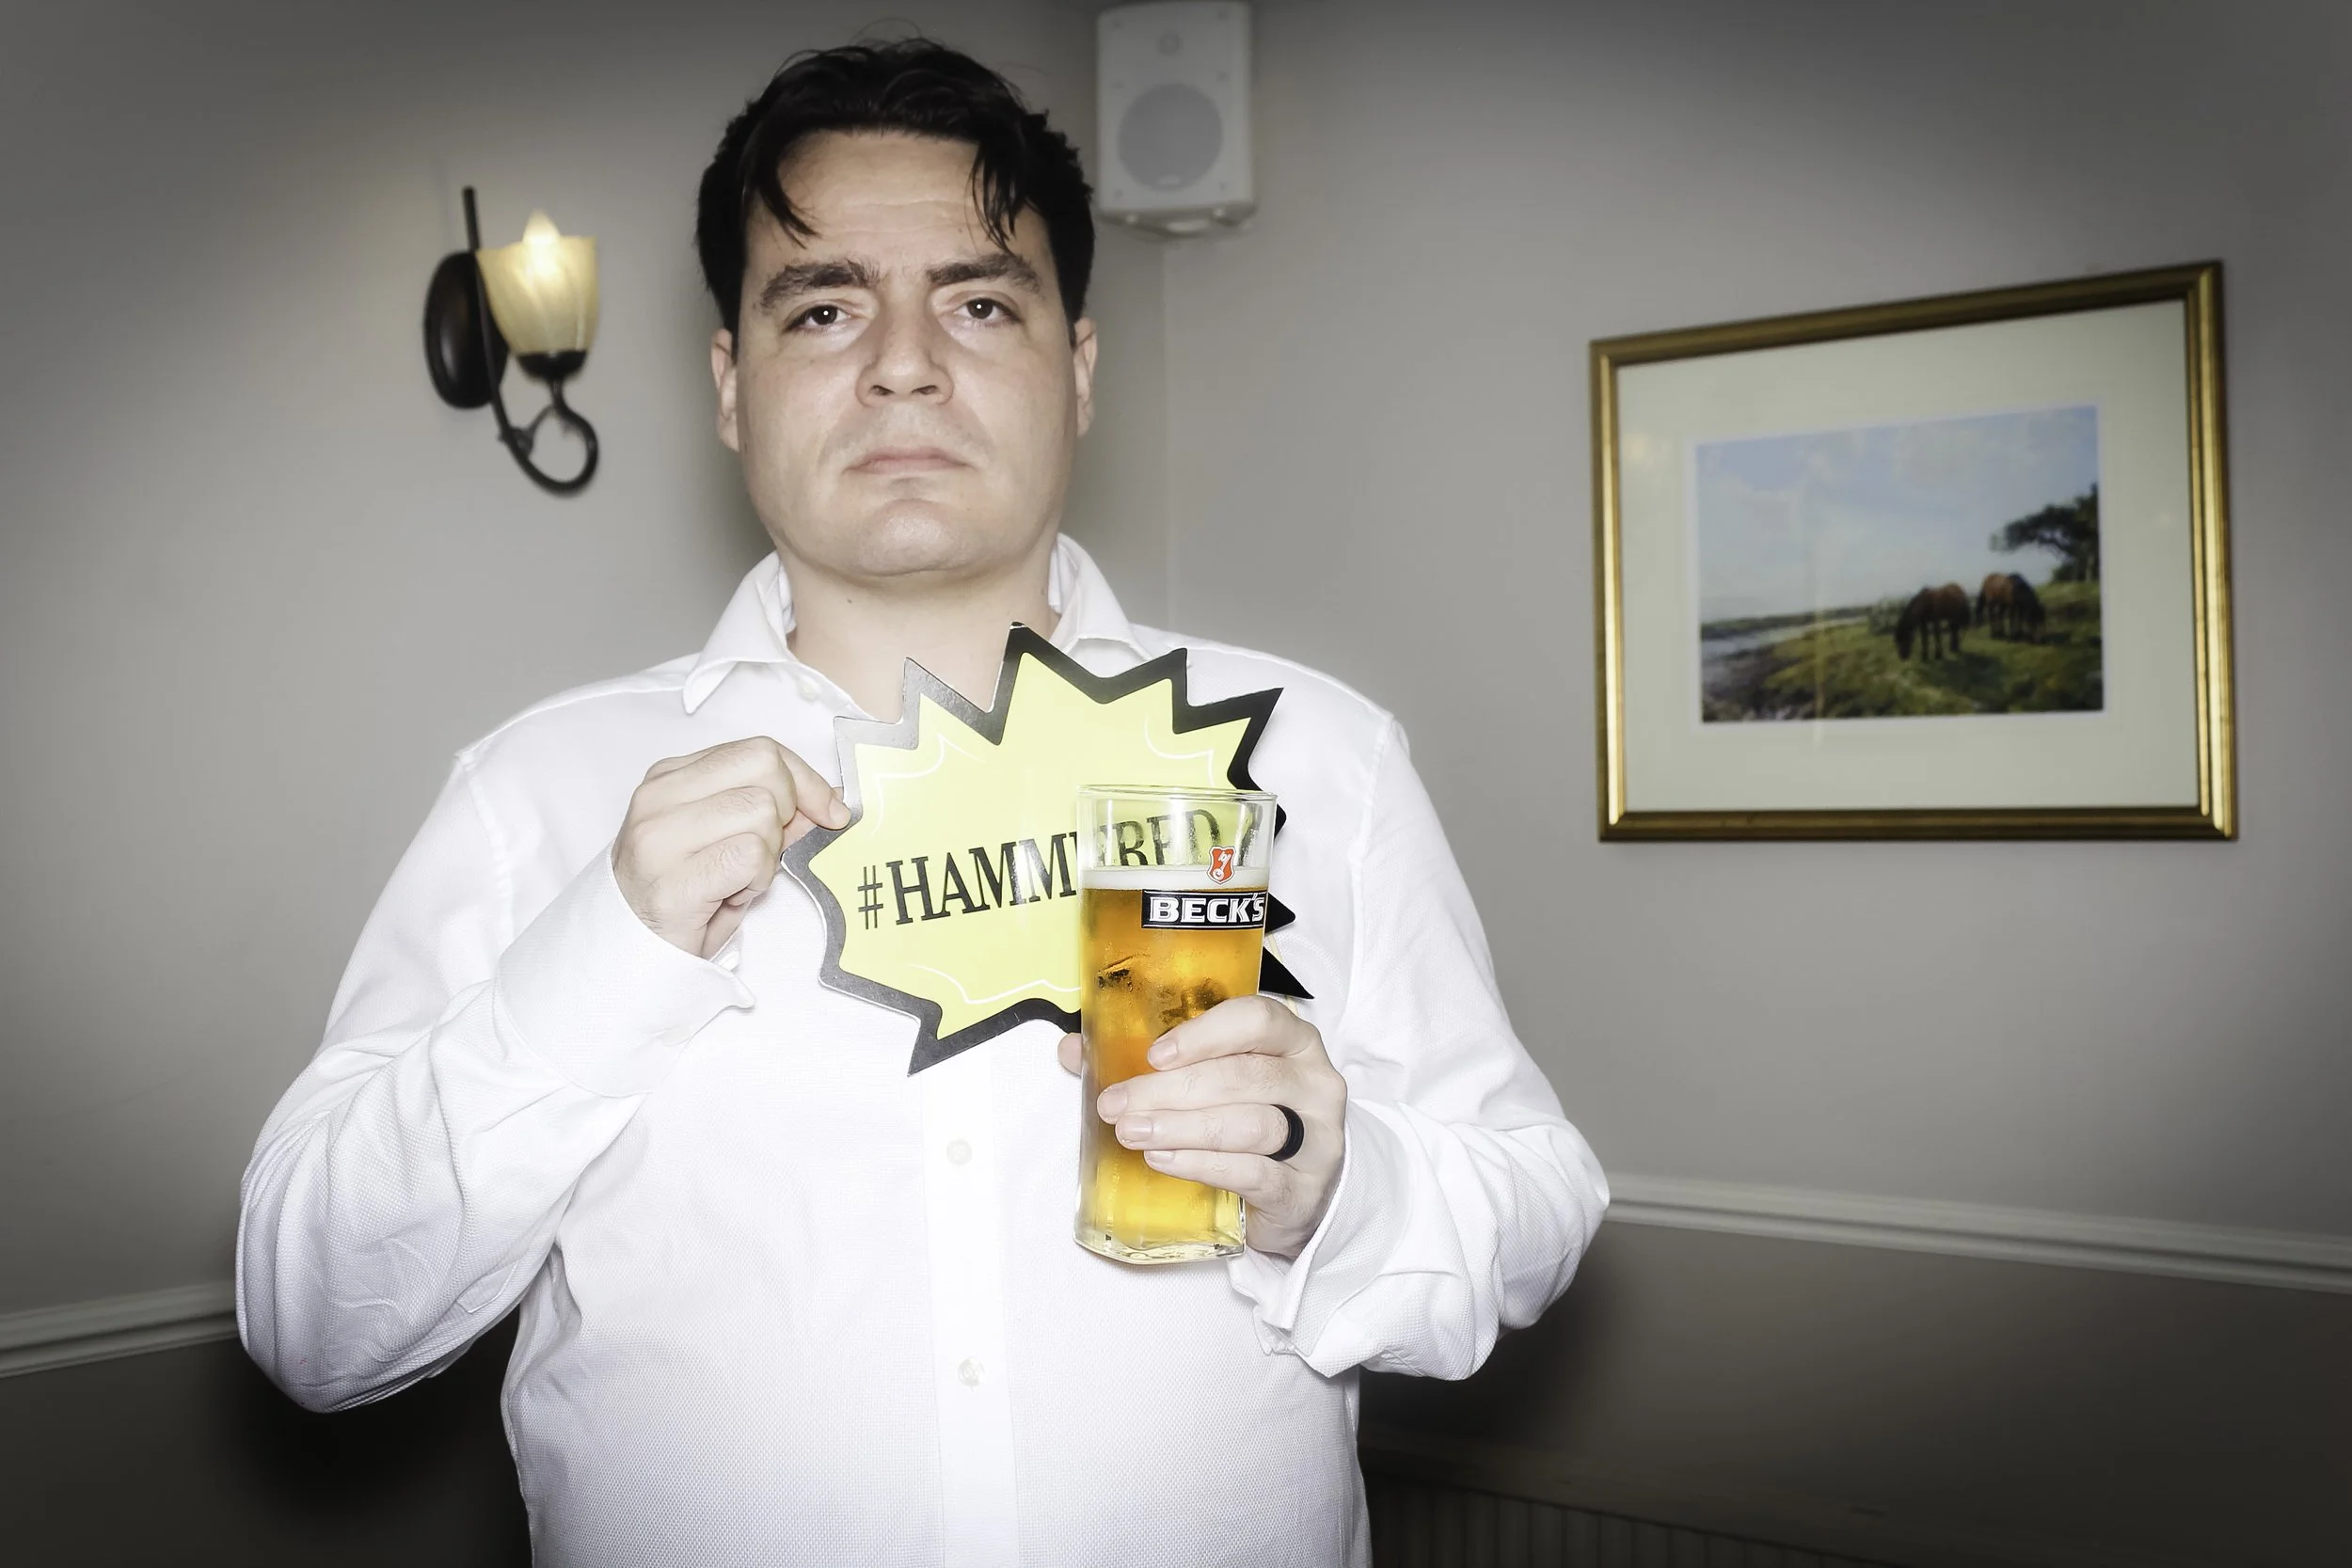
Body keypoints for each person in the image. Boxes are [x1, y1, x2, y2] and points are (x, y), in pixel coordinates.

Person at [237, 39, 1607, 1568]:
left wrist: (1335, 1185)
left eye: (979, 303)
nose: (903, 363)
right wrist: (601, 952)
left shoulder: (1315, 757)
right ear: (730, 384)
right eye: (823, 308)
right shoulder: (534, 796)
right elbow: (314, 1324)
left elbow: (1534, 1204)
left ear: (1079, 368)